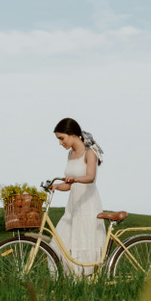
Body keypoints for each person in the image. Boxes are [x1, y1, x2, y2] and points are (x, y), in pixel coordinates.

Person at [50, 118, 105, 276]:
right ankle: (69, 279)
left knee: (84, 242)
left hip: (88, 205)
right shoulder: (70, 154)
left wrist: (74, 179)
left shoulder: (90, 152)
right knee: (59, 243)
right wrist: (57, 186)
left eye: (62, 138)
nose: (60, 143)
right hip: (73, 207)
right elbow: (69, 185)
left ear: (73, 134)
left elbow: (90, 177)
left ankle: (86, 278)